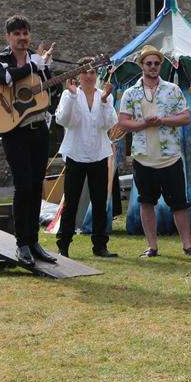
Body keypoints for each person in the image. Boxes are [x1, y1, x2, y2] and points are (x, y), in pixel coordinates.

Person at [0, 14, 59, 268]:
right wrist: (33, 65)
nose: (22, 38)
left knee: (36, 186)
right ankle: (22, 244)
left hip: (39, 130)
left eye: (25, 33)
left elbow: (49, 92)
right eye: (17, 33)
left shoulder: (38, 62)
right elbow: (4, 79)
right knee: (23, 185)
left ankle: (34, 241)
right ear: (8, 36)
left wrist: (51, 75)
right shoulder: (0, 59)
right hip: (14, 132)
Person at [115, 45, 191, 257]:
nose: (153, 67)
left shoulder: (172, 89)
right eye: (148, 63)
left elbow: (186, 117)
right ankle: (152, 247)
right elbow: (123, 122)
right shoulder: (130, 93)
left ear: (161, 65)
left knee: (179, 203)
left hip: (170, 156)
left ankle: (188, 246)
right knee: (146, 202)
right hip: (143, 157)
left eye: (156, 63)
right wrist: (144, 123)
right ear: (141, 65)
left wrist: (161, 120)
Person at [53, 64, 120, 258]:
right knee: (71, 202)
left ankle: (100, 246)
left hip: (99, 153)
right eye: (84, 72)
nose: (89, 76)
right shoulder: (69, 94)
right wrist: (73, 96)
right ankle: (63, 245)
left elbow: (108, 124)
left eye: (92, 72)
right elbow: (64, 121)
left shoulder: (103, 94)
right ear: (78, 75)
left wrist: (106, 100)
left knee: (99, 202)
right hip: (75, 154)